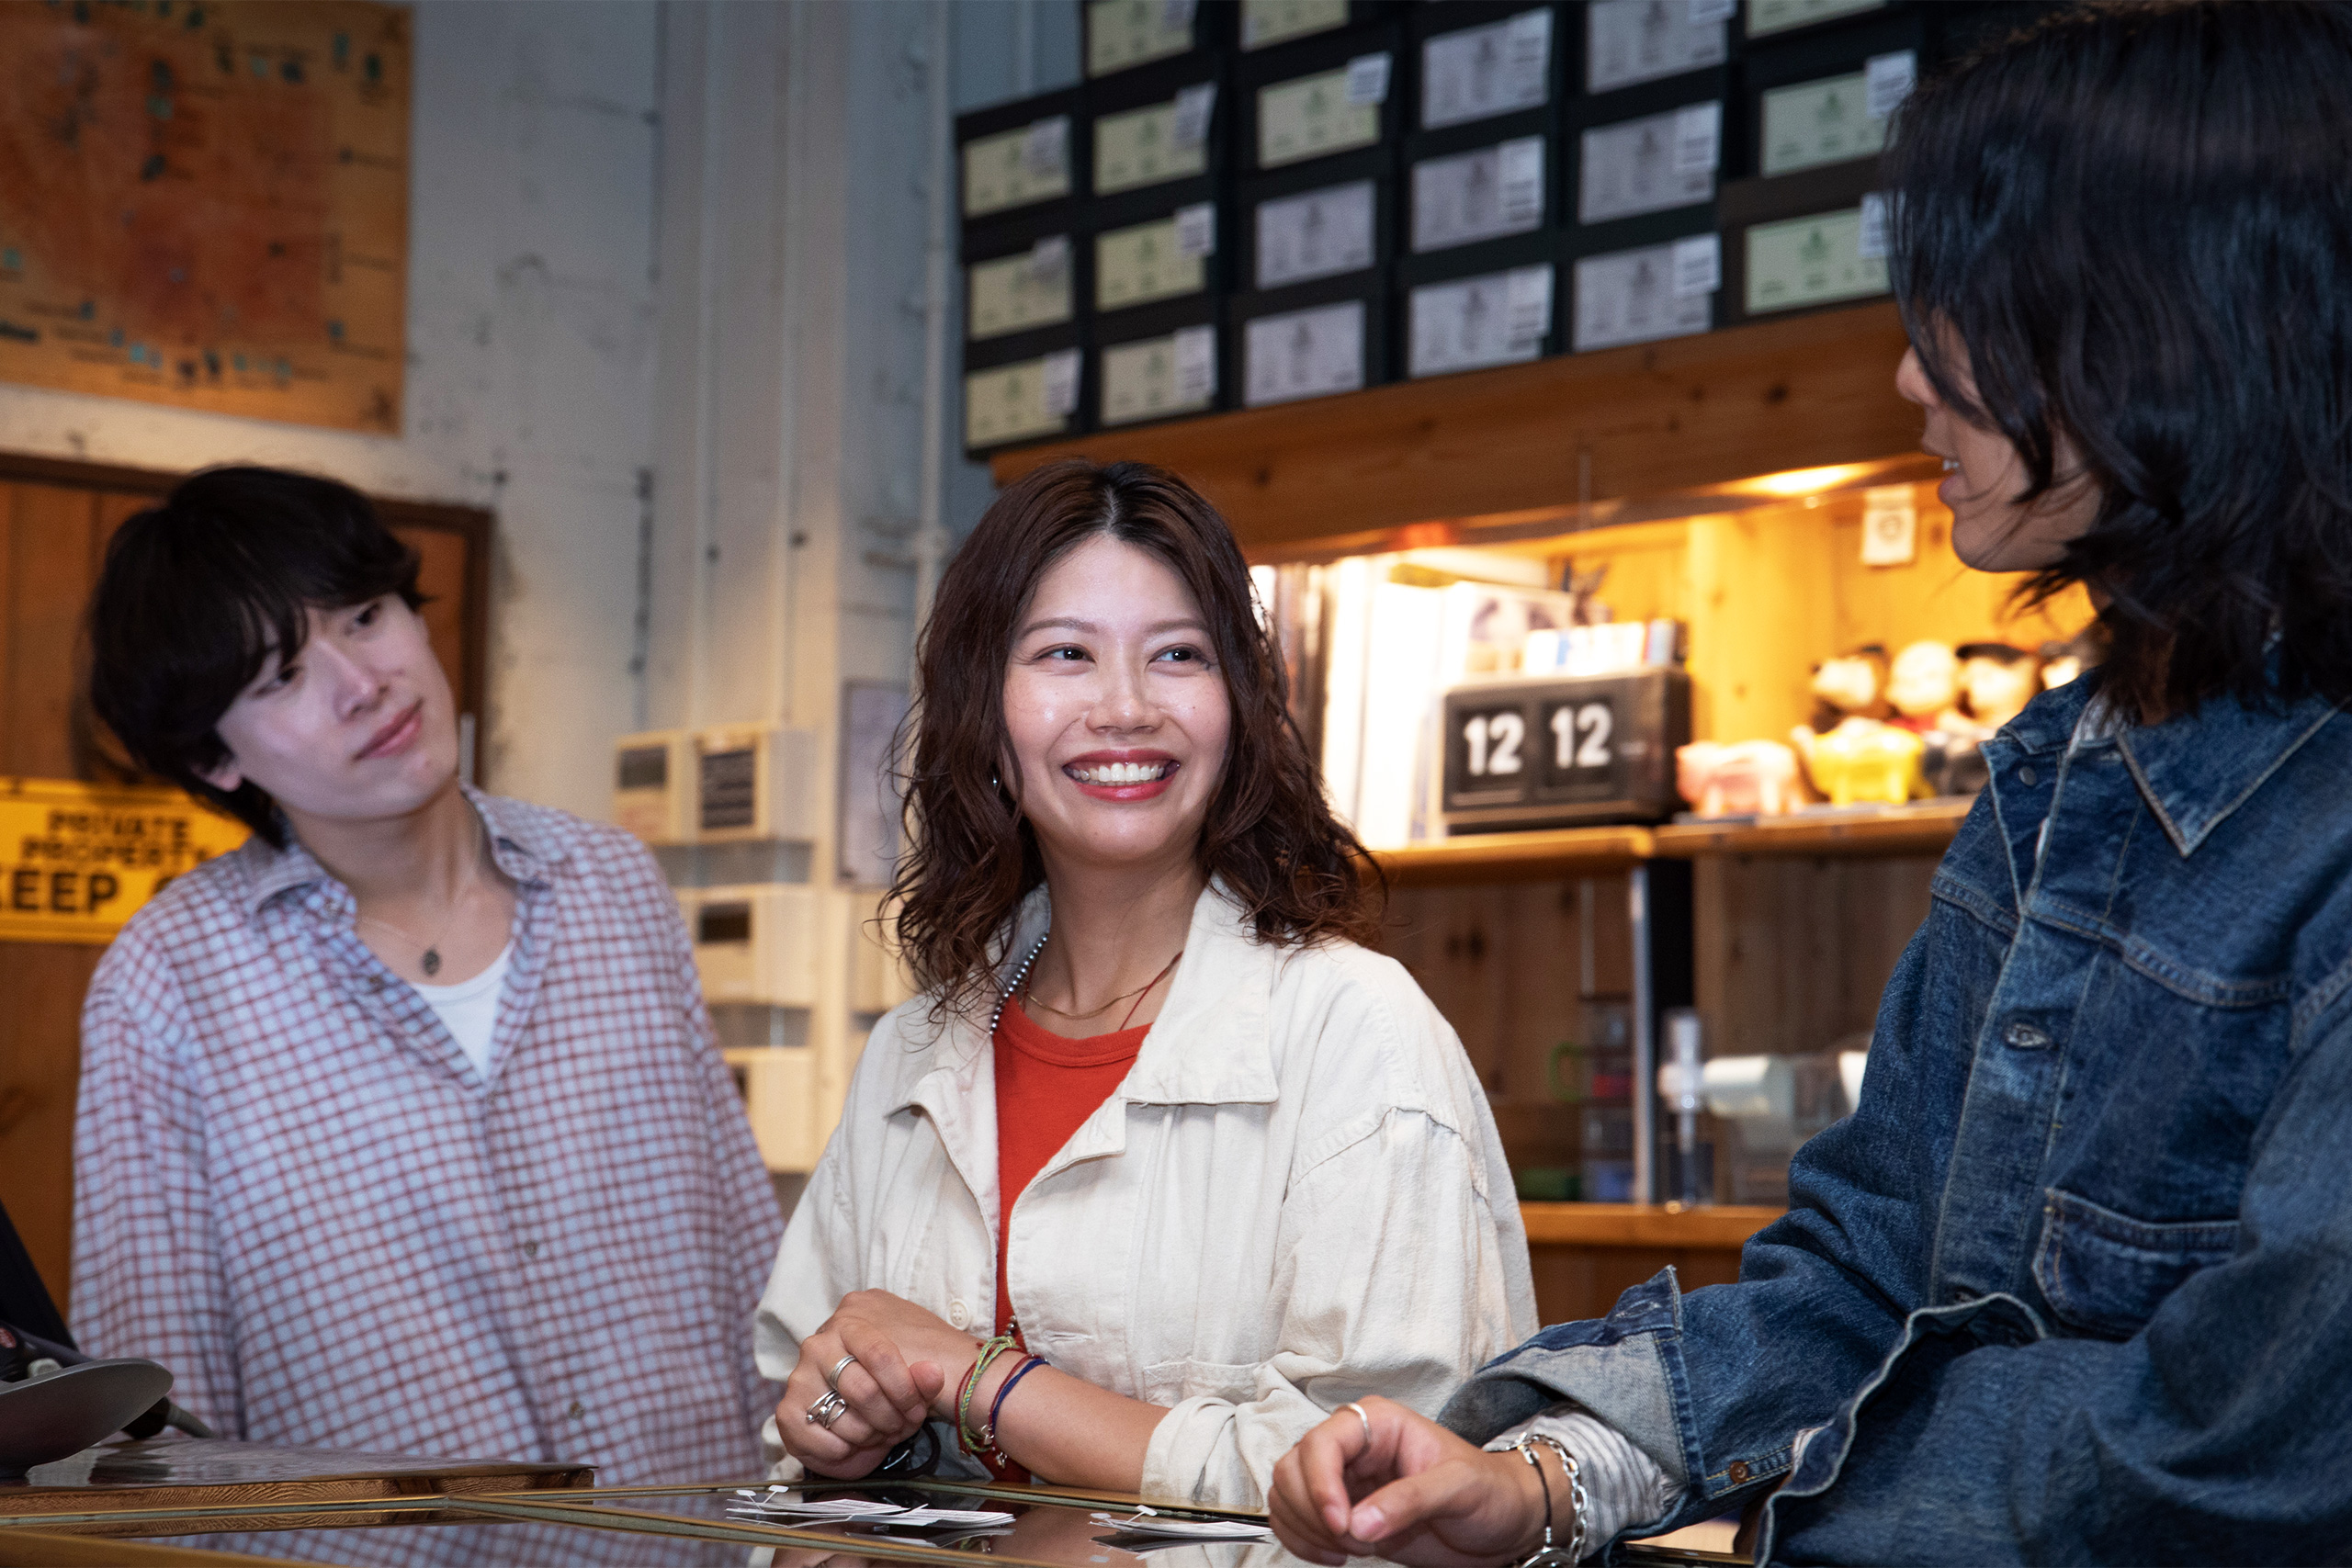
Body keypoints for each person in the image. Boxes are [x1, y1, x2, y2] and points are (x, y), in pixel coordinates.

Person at [1269, 3, 2352, 1562]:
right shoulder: (2062, 774)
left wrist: (1818, 1473)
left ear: (2165, 335)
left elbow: (2252, 1447)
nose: (1913, 375)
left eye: (1979, 318)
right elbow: (1863, 1262)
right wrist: (1548, 1480)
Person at [753, 459, 1536, 1506]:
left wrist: (979, 1379)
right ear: (984, 711)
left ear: (1239, 707)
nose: (1124, 707)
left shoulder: (1355, 1027)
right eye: (1065, 654)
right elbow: (797, 1417)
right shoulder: (915, 1048)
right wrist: (852, 1433)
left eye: (1177, 655)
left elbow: (1389, 1483)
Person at [72, 468, 782, 1564]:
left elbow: (739, 1242)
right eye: (284, 675)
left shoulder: (610, 885)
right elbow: (155, 1402)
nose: (365, 682)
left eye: (366, 616)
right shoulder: (171, 981)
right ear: (216, 758)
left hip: (686, 1544)